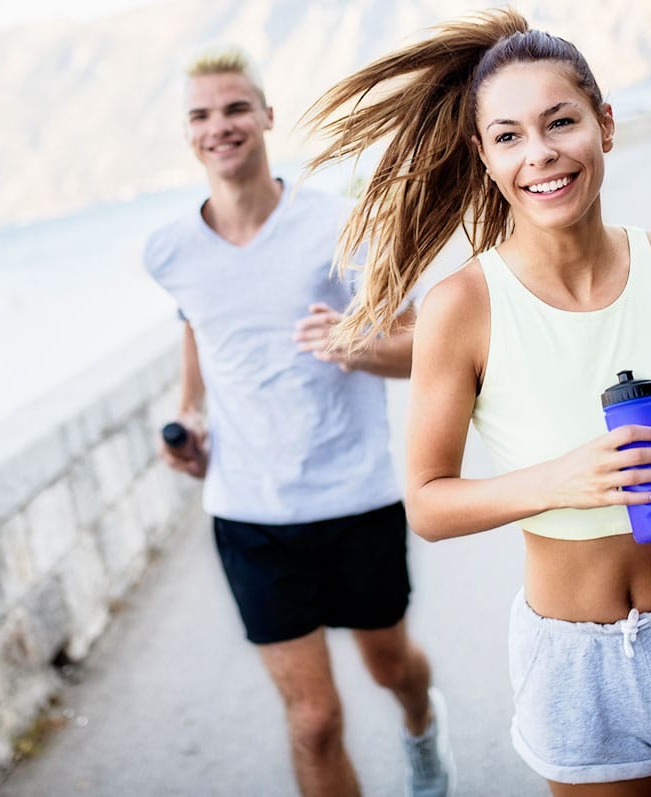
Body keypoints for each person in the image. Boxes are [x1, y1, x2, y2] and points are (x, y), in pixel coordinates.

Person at [302, 10, 651, 796]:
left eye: (560, 122)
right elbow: (427, 501)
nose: (541, 155)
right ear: (483, 156)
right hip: (574, 668)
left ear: (603, 124)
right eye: (509, 136)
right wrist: (557, 480)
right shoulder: (462, 308)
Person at [142, 45, 454, 797]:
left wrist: (355, 344)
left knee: (391, 666)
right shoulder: (168, 251)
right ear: (188, 134)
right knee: (313, 719)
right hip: (250, 515)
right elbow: (199, 326)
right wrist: (189, 414)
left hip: (358, 501)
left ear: (266, 117)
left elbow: (422, 350)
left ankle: (421, 722)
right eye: (202, 114)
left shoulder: (337, 227)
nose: (220, 125)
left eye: (235, 108)